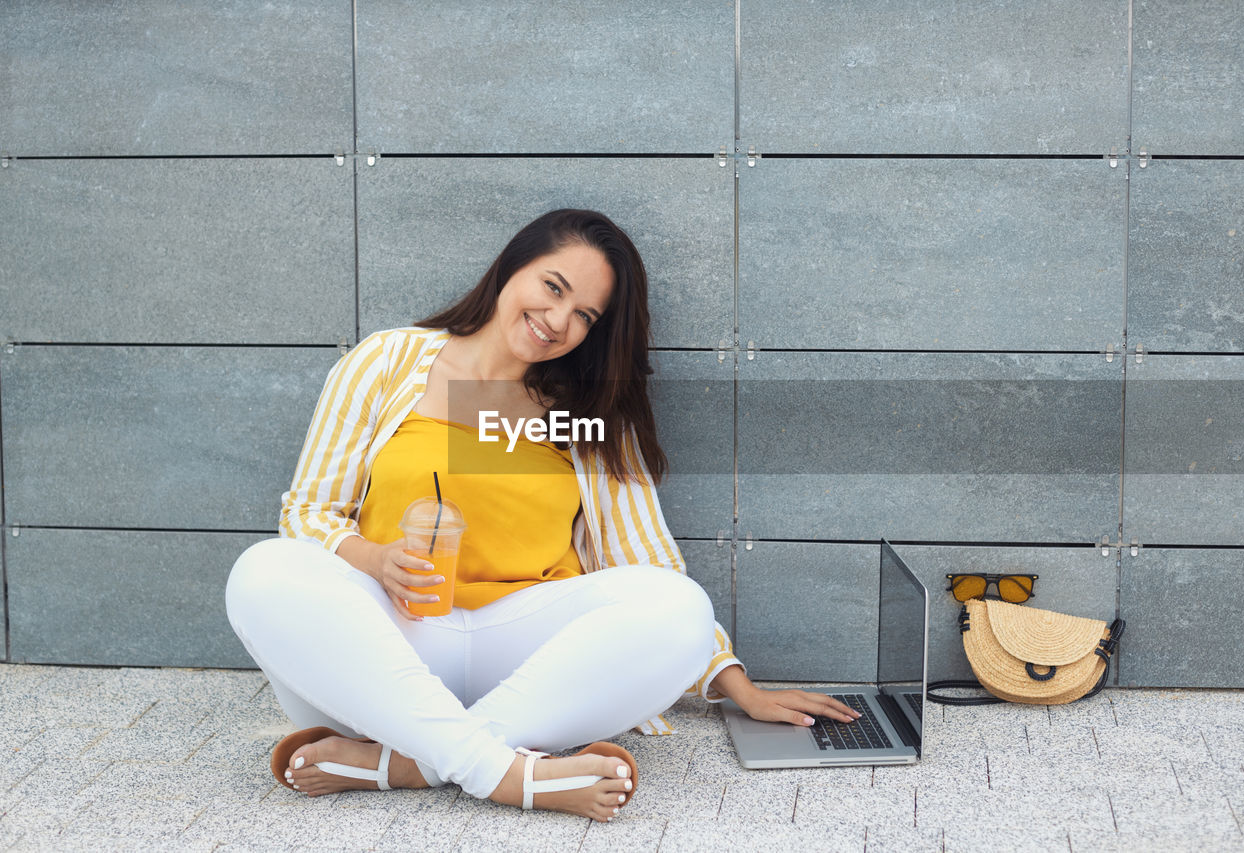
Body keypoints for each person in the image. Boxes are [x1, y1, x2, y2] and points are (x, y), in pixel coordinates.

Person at [224, 209, 858, 823]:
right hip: (393, 649)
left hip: (530, 664)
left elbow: (649, 565)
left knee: (679, 605)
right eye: (552, 288)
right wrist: (376, 560)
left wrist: (736, 686)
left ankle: (415, 763)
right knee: (263, 571)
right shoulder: (388, 360)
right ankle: (503, 771)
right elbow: (309, 512)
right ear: (511, 268)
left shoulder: (586, 413)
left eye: (584, 315)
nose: (557, 321)